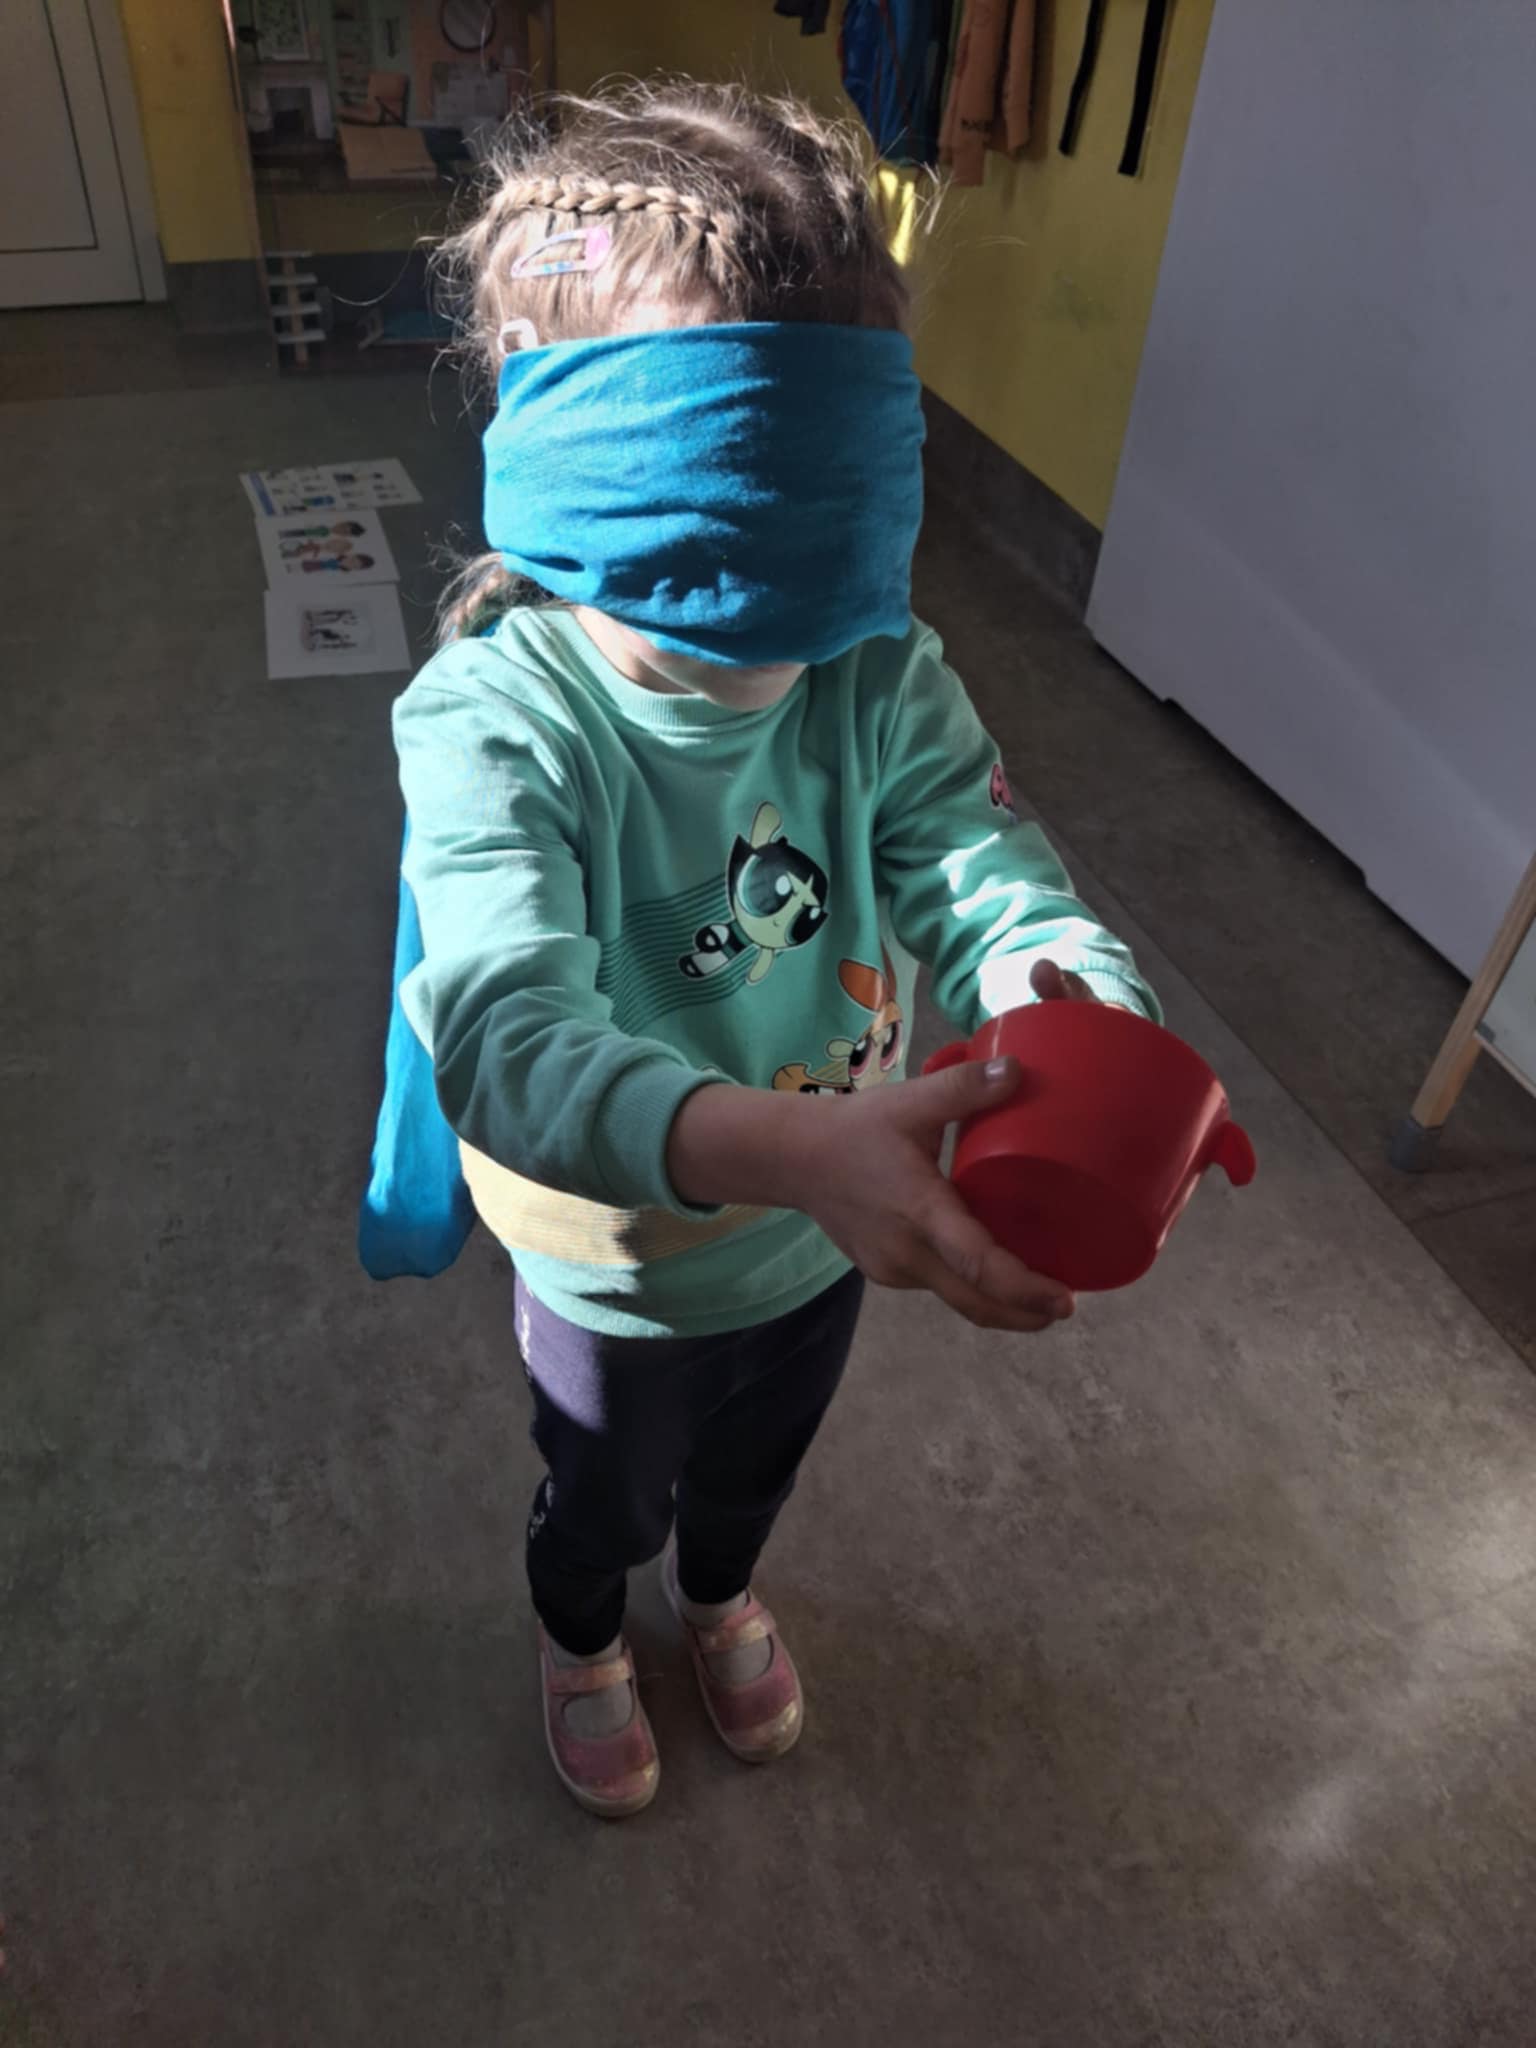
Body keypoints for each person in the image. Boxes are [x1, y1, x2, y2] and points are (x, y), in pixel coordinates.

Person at [388, 82, 1158, 1819]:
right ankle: (582, 1632)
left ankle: (722, 1591)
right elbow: (506, 1036)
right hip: (616, 1262)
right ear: (582, 488)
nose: (787, 650)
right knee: (604, 1493)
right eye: (725, 571)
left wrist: (1071, 1003)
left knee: (753, 1470)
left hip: (821, 1239)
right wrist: (803, 1154)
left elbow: (980, 860)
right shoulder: (498, 723)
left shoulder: (870, 667)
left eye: (829, 569)